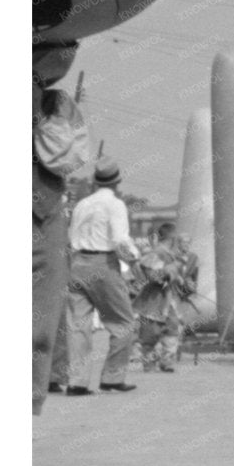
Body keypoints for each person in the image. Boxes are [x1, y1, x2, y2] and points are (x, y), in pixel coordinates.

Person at [60, 157, 141, 396]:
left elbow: (71, 235)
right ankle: (112, 378)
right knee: (123, 322)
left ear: (95, 181)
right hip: (102, 262)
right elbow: (119, 240)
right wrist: (134, 260)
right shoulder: (115, 204)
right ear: (117, 181)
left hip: (77, 262)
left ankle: (77, 382)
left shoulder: (82, 204)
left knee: (78, 325)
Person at [34, 76, 88, 412]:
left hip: (43, 214)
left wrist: (38, 107)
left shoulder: (57, 104)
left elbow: (65, 158)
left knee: (42, 323)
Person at [133, 219, 198, 373]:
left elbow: (178, 278)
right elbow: (153, 276)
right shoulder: (155, 253)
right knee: (150, 334)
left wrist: (185, 284)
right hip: (153, 301)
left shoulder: (174, 255)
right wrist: (171, 271)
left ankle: (167, 361)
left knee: (172, 331)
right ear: (172, 239)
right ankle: (149, 362)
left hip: (170, 301)